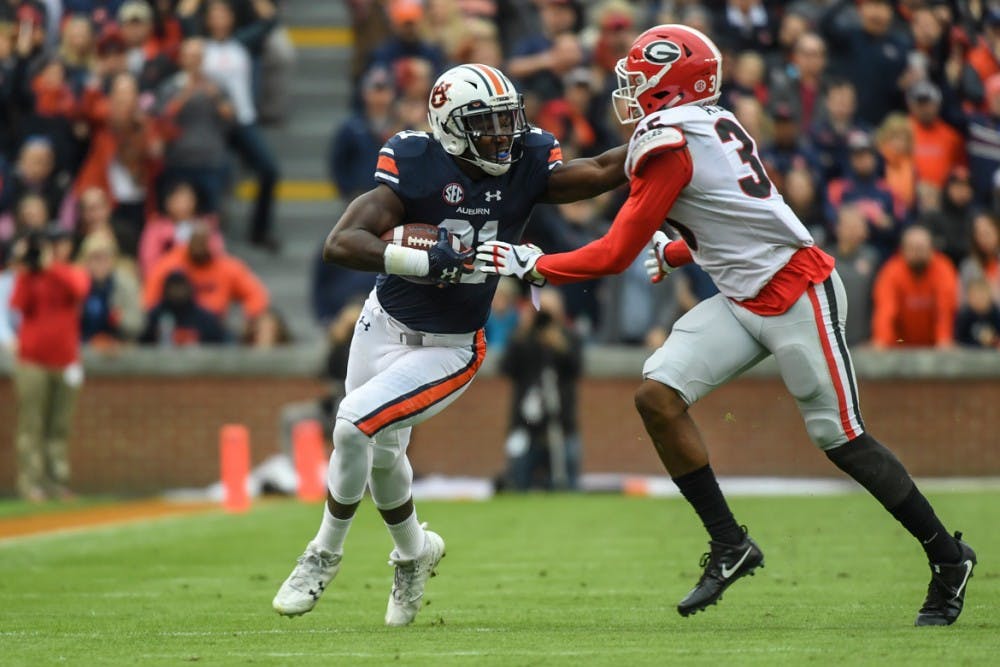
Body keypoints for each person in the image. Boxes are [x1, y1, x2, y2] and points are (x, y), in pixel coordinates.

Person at [479, 25, 976, 627]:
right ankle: (730, 543)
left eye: (639, 82)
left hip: (798, 292)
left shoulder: (671, 142)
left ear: (671, 86)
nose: (629, 93)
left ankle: (948, 559)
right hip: (744, 295)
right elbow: (741, 215)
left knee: (840, 439)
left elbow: (612, 254)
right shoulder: (709, 124)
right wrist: (684, 253)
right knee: (657, 397)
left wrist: (534, 263)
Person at [272, 62, 628, 627]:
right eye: (486, 124)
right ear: (450, 126)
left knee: (351, 424)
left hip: (451, 345)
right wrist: (423, 257)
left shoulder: (526, 161)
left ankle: (323, 554)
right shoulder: (417, 163)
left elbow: (603, 169)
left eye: (508, 120)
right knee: (382, 456)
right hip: (383, 323)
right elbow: (341, 244)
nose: (503, 135)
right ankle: (414, 553)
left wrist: (661, 144)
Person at [9, 226, 90, 501]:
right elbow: (17, 304)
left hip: (65, 360)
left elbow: (79, 289)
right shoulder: (30, 276)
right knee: (31, 424)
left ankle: (57, 482)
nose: (58, 248)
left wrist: (51, 266)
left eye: (61, 243)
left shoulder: (71, 272)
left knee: (59, 426)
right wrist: (26, 268)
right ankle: (30, 483)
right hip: (32, 360)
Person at [498, 287, 582, 491]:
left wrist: (559, 342)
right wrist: (524, 331)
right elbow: (506, 368)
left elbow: (576, 369)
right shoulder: (522, 338)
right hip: (525, 424)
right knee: (519, 482)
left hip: (562, 425)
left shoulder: (568, 337)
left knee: (566, 486)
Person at [871, 225, 958, 349]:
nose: (917, 253)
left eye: (922, 248)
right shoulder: (891, 271)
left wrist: (943, 340)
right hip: (900, 345)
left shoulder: (943, 269)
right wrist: (881, 341)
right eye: (913, 248)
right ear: (902, 250)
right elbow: (885, 311)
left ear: (932, 249)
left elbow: (945, 310)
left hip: (934, 347)